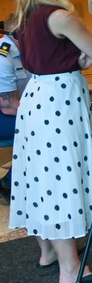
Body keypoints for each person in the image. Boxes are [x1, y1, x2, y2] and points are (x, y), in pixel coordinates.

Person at [8, 0, 92, 283]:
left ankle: (48, 251)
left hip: (37, 97)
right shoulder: (62, 17)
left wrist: (74, 59)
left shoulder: (24, 15)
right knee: (60, 179)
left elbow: (50, 56)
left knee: (39, 177)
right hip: (59, 102)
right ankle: (71, 269)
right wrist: (84, 57)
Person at [0, 14, 30, 203]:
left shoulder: (22, 52)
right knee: (37, 129)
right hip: (4, 114)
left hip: (13, 109)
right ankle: (9, 182)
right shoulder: (3, 57)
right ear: (19, 33)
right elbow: (8, 107)